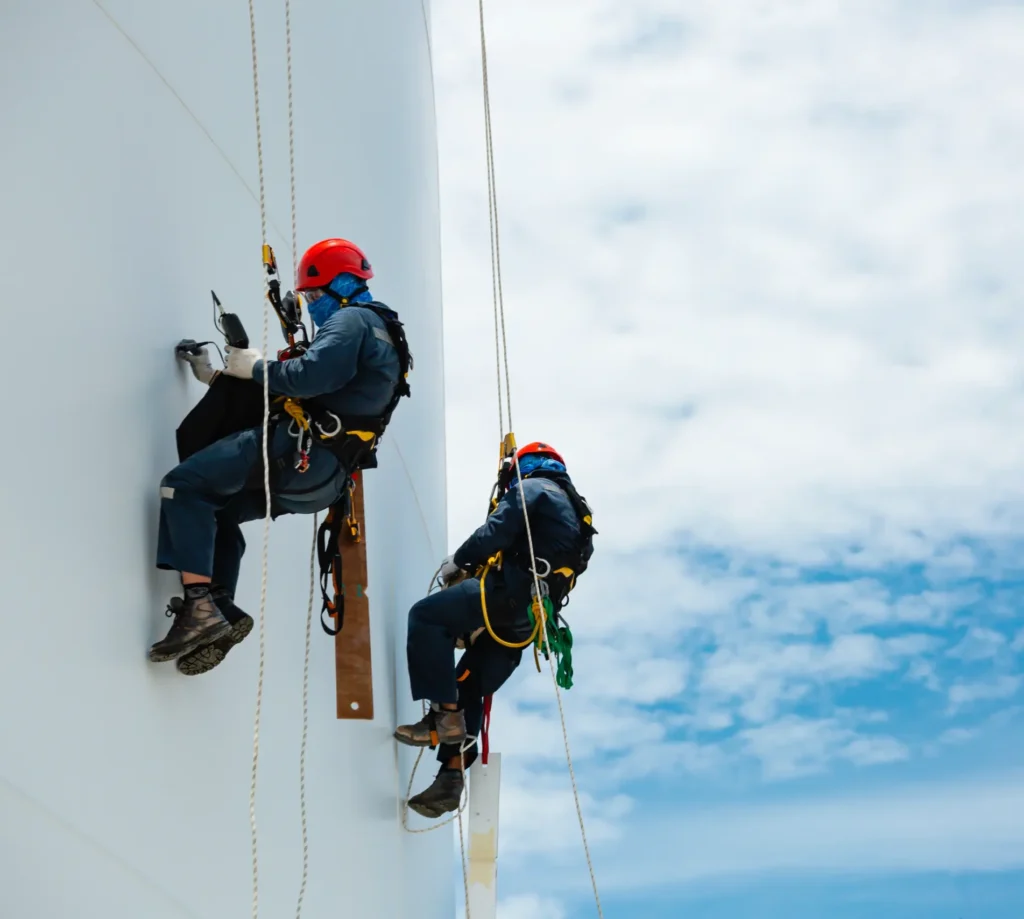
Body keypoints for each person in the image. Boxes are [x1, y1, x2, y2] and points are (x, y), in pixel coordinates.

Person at [148, 237, 408, 674]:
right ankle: (219, 610)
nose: (309, 305)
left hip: (300, 452)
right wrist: (215, 377)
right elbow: (322, 396)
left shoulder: (353, 320)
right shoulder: (388, 340)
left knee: (184, 486)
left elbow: (306, 379)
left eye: (313, 295)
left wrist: (250, 367)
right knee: (220, 510)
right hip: (323, 480)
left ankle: (199, 608)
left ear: (342, 284)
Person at [395, 442, 595, 818]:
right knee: (466, 684)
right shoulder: (578, 515)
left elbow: (497, 531)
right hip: (526, 626)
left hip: (504, 597)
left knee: (427, 617)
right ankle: (450, 779)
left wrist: (459, 561)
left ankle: (444, 718)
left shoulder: (533, 488)